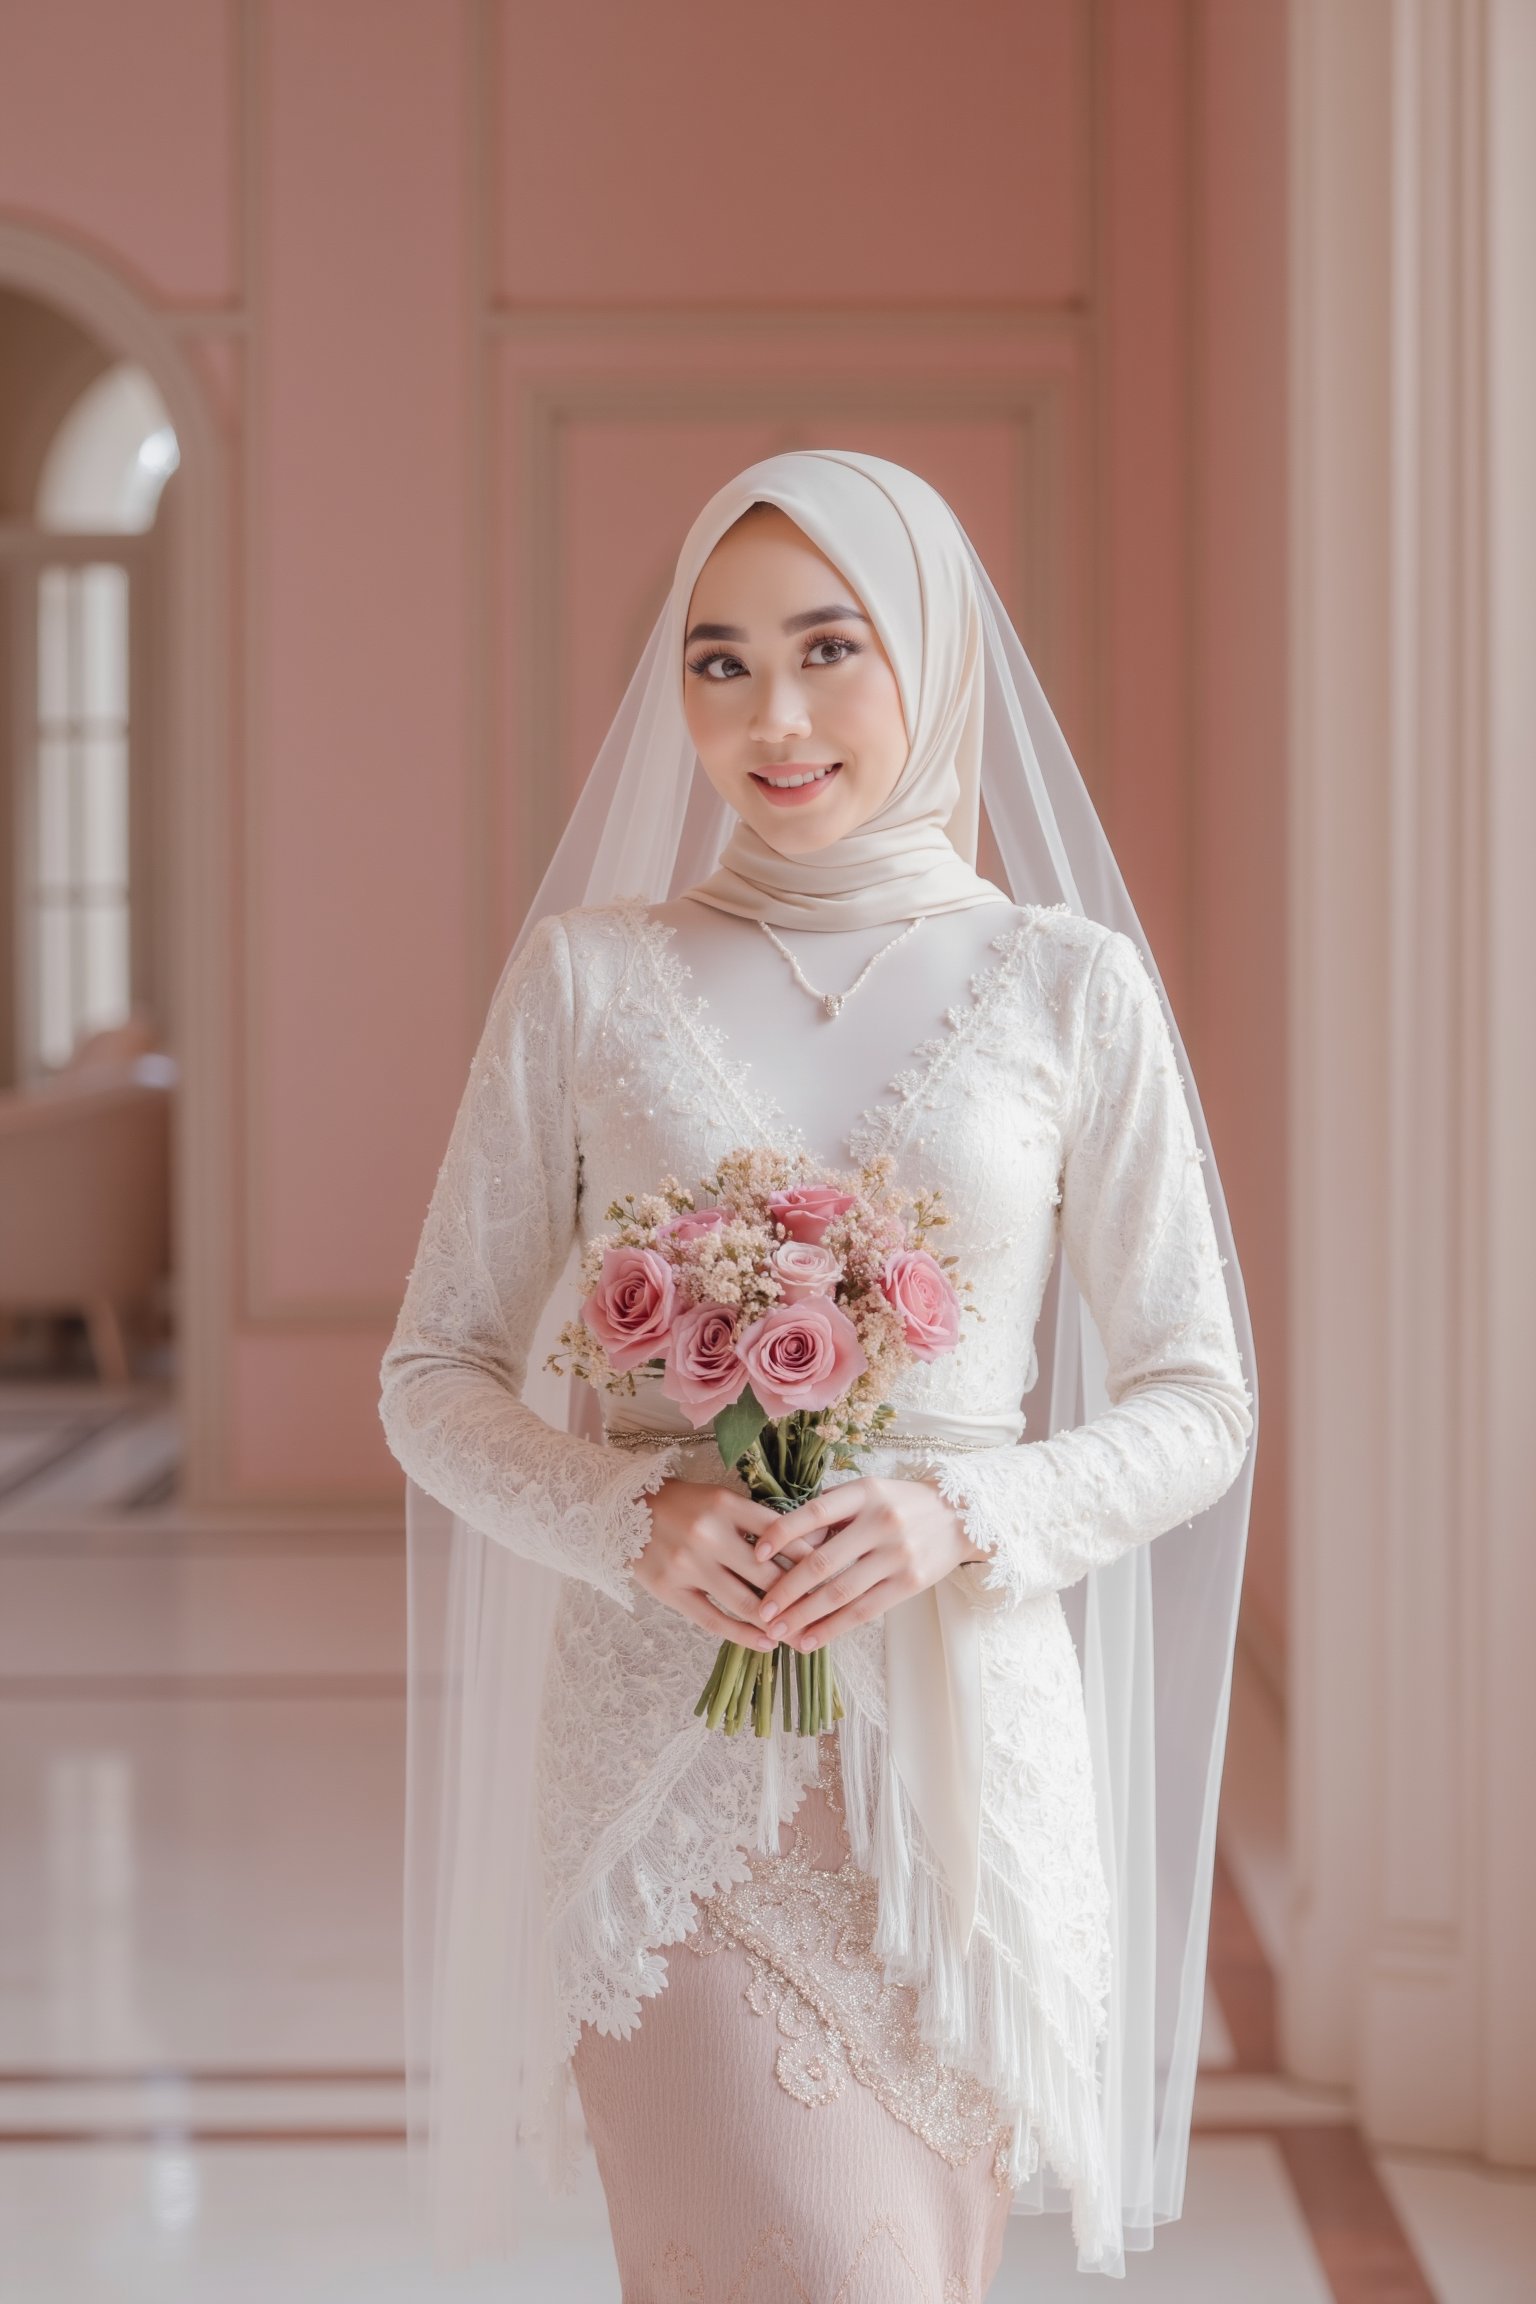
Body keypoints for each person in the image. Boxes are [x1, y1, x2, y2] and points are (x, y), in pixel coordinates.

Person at [378, 450, 1257, 2296]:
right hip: (665, 1774)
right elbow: (435, 1371)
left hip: (968, 1785)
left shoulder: (1066, 986)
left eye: (828, 649)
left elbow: (1202, 1396)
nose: (771, 717)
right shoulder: (589, 983)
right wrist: (636, 1509)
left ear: (928, 656)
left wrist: (959, 1507)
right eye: (717, 662)